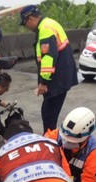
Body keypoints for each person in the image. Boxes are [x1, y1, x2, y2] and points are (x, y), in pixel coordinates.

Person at [20, 5, 78, 134]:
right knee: (48, 113)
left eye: (24, 24)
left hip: (56, 80)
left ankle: (50, 144)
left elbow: (48, 58)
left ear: (29, 19)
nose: (27, 28)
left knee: (48, 115)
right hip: (61, 76)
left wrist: (43, 83)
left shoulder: (45, 29)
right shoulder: (50, 23)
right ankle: (50, 139)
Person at [45, 107, 96, 182]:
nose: (67, 142)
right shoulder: (54, 136)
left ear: (86, 137)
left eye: (72, 140)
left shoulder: (95, 153)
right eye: (66, 138)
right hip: (55, 176)